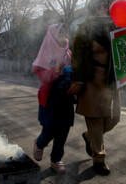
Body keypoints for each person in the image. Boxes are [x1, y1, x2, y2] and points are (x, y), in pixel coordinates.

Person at [68, 0, 121, 176]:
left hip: (110, 80)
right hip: (91, 80)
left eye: (104, 6)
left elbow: (123, 53)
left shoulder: (114, 28)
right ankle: (99, 159)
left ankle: (88, 136)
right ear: (92, 8)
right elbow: (76, 57)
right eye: (98, 6)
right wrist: (79, 79)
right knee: (96, 120)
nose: (102, 9)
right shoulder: (84, 29)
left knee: (115, 117)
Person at [32, 23, 74, 174]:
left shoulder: (69, 54)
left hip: (66, 96)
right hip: (51, 96)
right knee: (50, 129)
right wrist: (54, 70)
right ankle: (40, 142)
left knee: (64, 129)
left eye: (66, 35)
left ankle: (56, 160)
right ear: (53, 36)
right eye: (61, 34)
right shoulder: (46, 53)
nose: (64, 38)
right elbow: (41, 76)